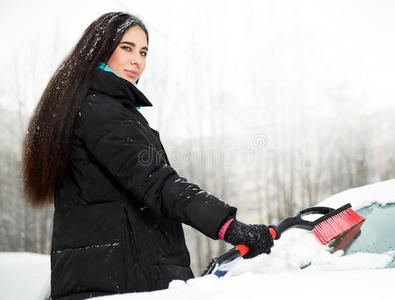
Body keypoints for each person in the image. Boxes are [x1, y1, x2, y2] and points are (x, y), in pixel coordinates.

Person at [22, 12, 274, 299]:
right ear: (99, 50)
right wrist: (228, 226)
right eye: (126, 48)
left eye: (143, 52)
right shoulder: (101, 111)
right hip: (122, 277)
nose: (137, 60)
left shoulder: (91, 108)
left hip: (108, 272)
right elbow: (157, 182)